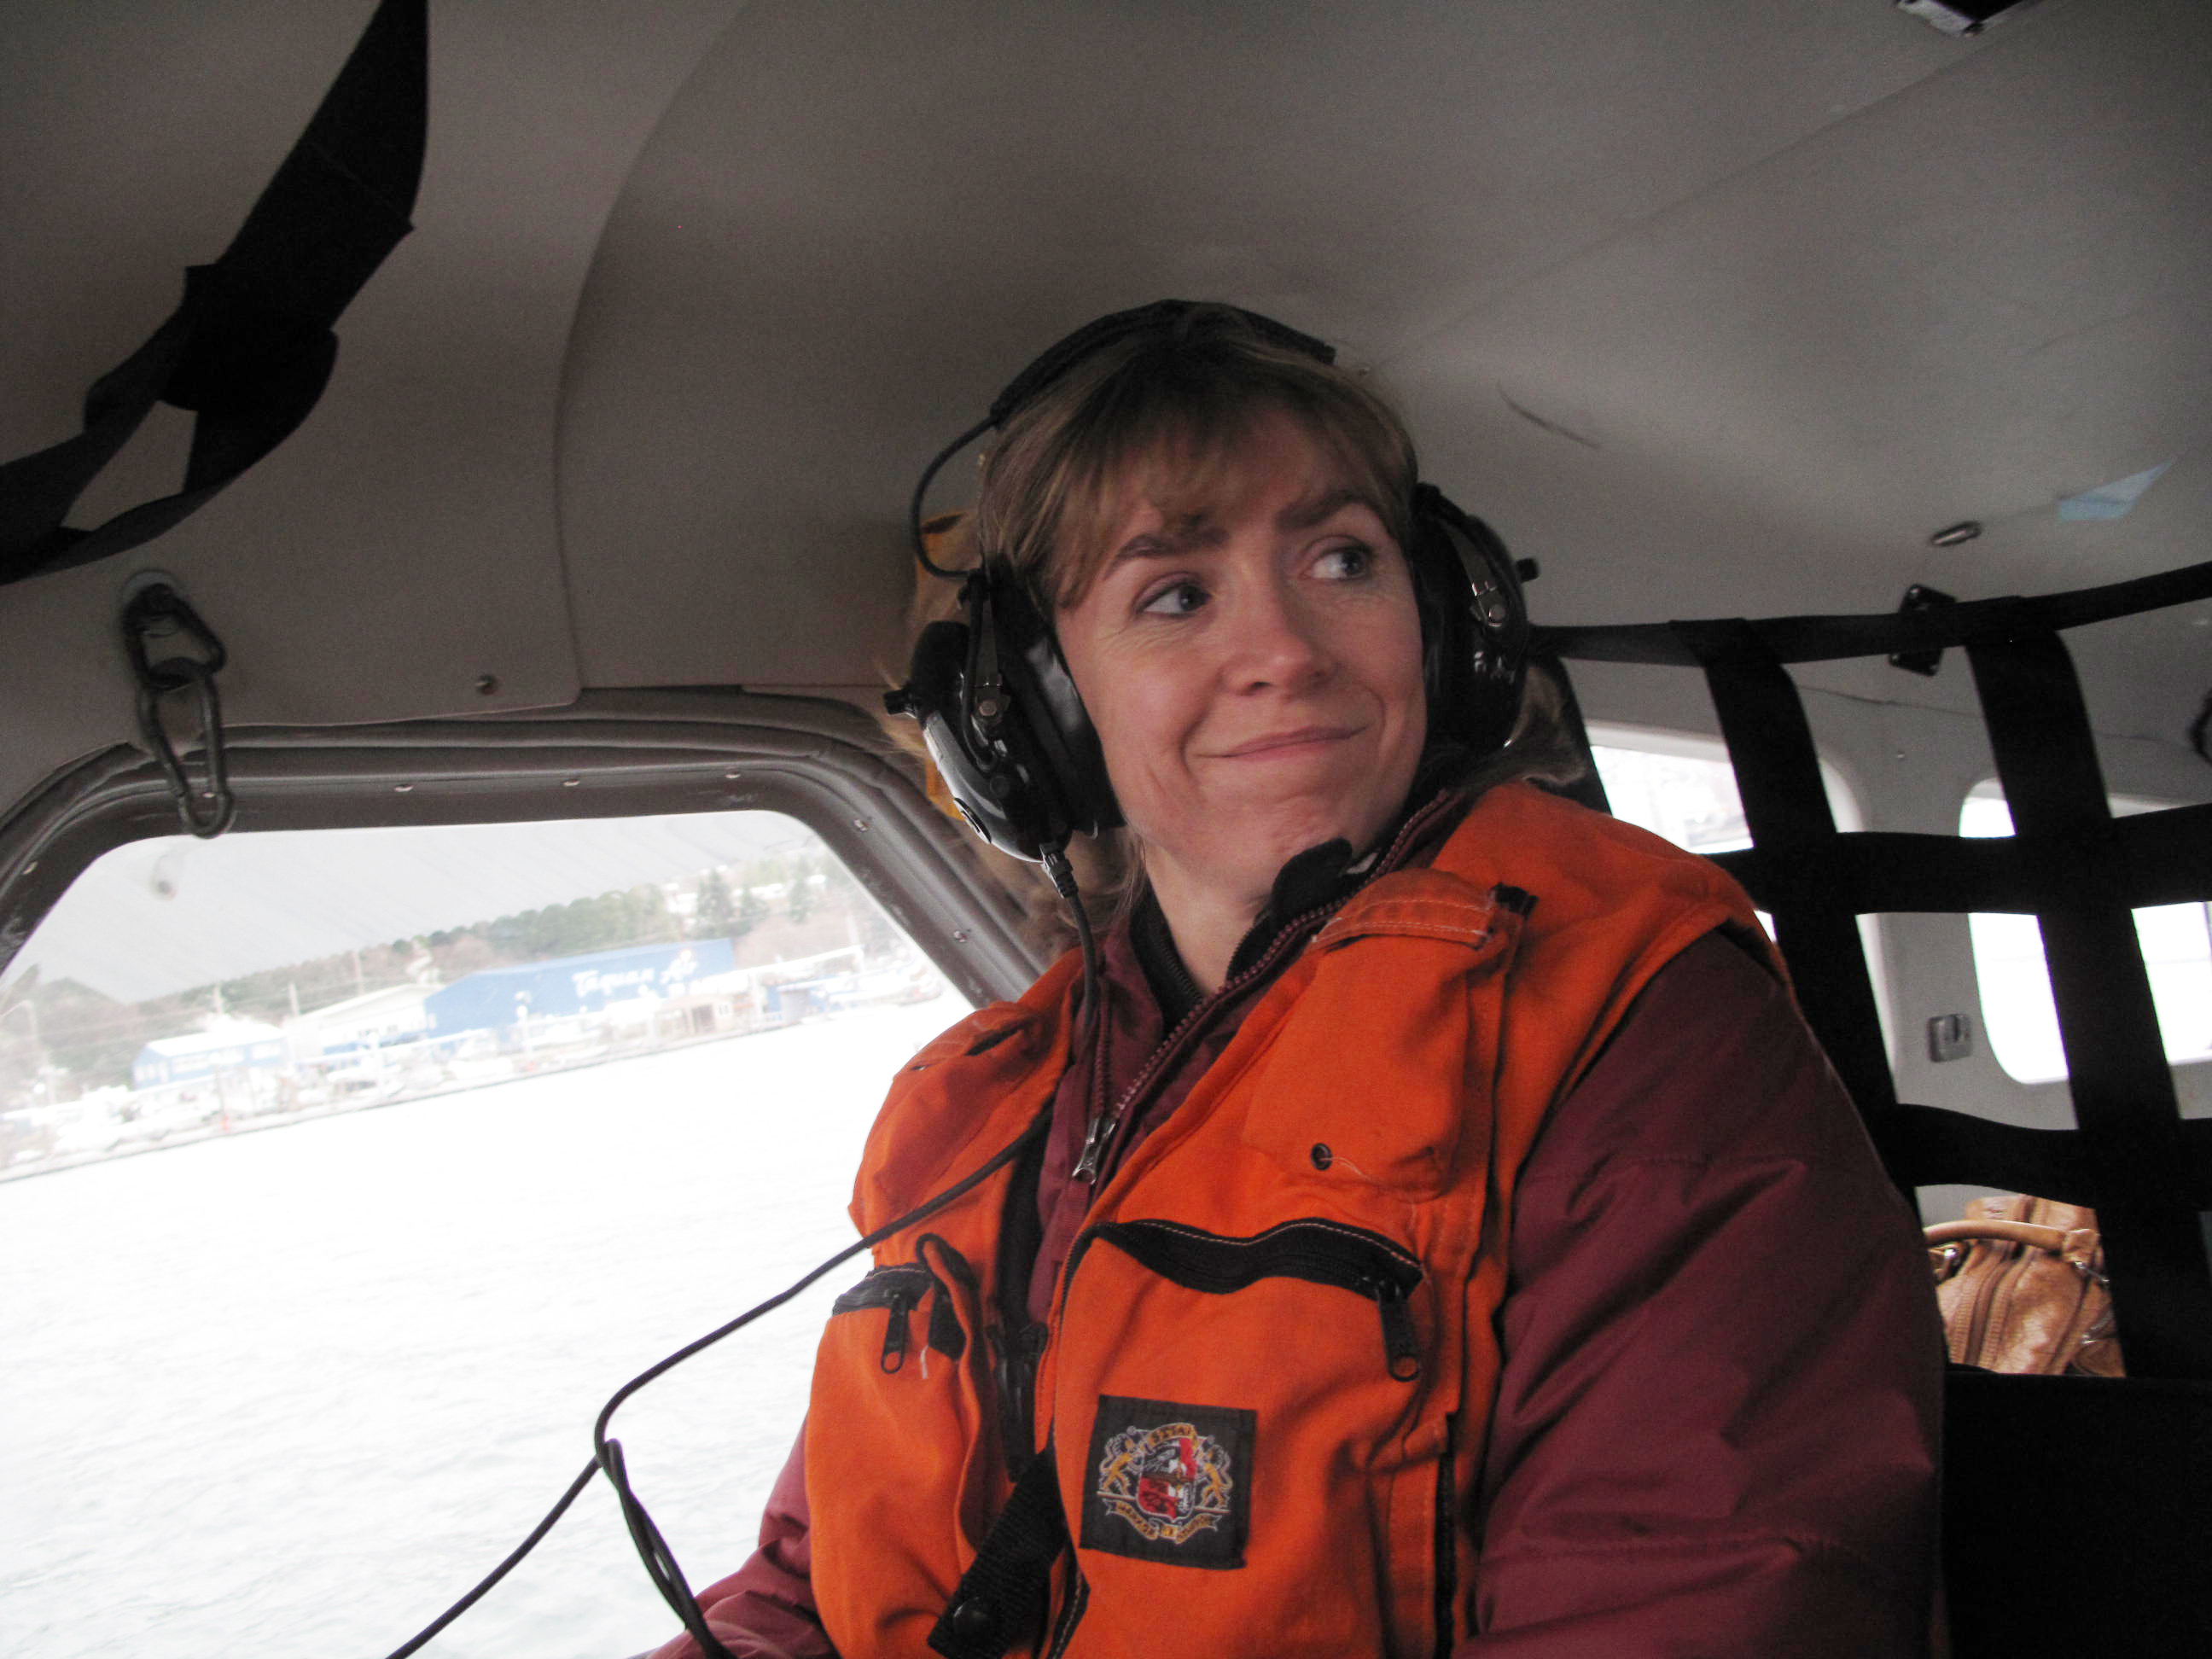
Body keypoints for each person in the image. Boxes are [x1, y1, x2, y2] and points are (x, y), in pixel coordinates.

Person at [647, 303, 1941, 1659]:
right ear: (1037, 712)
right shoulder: (969, 1117)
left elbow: (1693, 1606)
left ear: (1445, 626)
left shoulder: (1633, 1025)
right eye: (1176, 594)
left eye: (1342, 560)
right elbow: (803, 1591)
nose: (1288, 650)